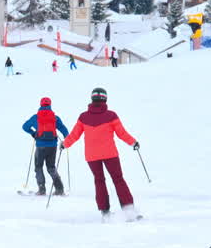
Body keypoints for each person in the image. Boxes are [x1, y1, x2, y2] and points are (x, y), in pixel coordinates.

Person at [60, 87, 139, 219]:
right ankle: (128, 208)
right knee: (118, 179)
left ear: (92, 98)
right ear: (105, 99)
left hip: (92, 156)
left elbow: (74, 135)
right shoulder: (111, 115)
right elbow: (122, 133)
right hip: (110, 154)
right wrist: (133, 142)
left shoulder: (83, 117)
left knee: (99, 180)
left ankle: (104, 211)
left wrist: (64, 144)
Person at [23, 96, 70, 196]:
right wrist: (67, 139)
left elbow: (25, 126)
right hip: (52, 146)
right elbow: (64, 129)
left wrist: (33, 133)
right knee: (51, 167)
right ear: (50, 105)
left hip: (40, 146)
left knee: (38, 167)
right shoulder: (55, 117)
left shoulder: (36, 117)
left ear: (40, 105)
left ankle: (42, 189)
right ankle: (59, 189)